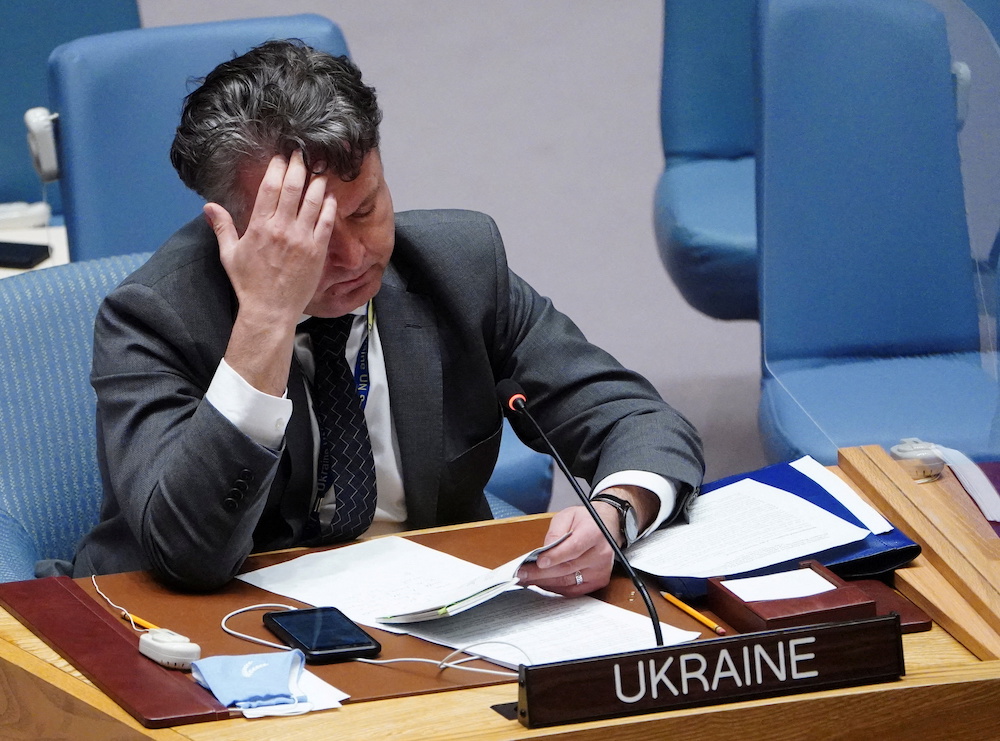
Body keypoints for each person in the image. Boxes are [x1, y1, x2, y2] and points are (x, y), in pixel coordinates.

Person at [59, 40, 704, 593]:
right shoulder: (154, 317)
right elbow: (187, 553)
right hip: (212, 619)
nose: (353, 256)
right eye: (307, 233)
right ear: (229, 227)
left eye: (366, 209)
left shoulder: (459, 267)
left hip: (428, 609)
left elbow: (635, 418)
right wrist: (266, 320)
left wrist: (619, 510)